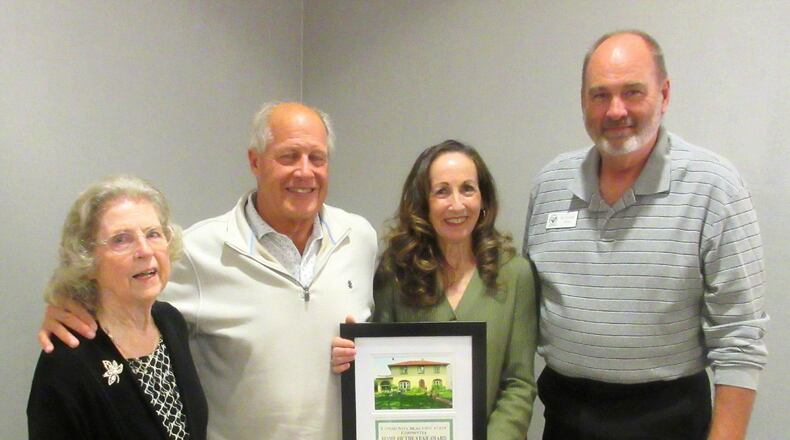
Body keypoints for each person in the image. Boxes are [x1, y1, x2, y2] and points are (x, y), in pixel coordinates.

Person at [37, 102, 378, 440]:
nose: (304, 172)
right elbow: (124, 299)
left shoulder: (359, 239)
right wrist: (68, 304)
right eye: (288, 156)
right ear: (255, 161)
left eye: (317, 158)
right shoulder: (197, 250)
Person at [524, 30, 768, 440]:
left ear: (665, 94)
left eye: (632, 92)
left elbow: (739, 339)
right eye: (600, 95)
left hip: (669, 419)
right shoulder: (550, 185)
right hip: (565, 419)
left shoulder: (715, 187)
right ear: (582, 100)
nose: (615, 110)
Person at [333, 140, 538, 439]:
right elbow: (380, 376)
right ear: (423, 203)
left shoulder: (515, 274)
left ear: (483, 199)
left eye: (467, 189)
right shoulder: (395, 274)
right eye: (442, 191)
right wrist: (355, 354)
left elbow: (519, 383)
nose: (457, 204)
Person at [27, 175, 207, 439]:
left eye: (153, 234)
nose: (145, 250)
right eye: (121, 239)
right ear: (87, 259)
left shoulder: (170, 321)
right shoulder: (68, 360)